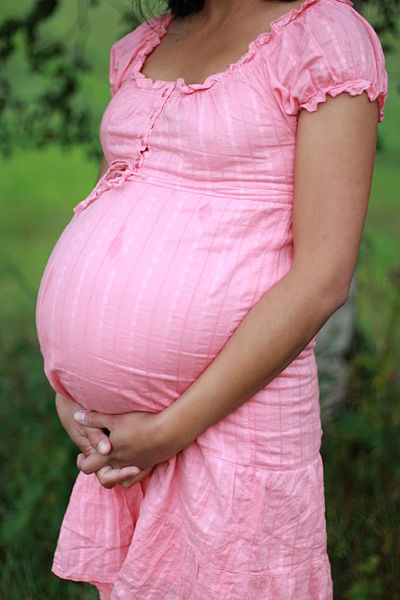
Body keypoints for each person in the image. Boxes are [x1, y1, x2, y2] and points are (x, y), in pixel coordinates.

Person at [35, 0, 388, 597]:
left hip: (238, 423)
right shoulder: (152, 41)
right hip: (127, 439)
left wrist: (172, 428)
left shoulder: (323, 37)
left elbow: (323, 278)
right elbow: (114, 203)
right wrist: (70, 396)